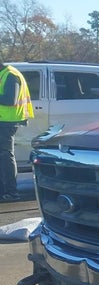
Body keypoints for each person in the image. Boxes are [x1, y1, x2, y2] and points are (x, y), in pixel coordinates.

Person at [0, 59, 34, 201]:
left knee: (6, 155)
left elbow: (10, 100)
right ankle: (5, 191)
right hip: (4, 120)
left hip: (7, 121)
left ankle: (11, 192)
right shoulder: (4, 74)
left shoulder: (10, 74)